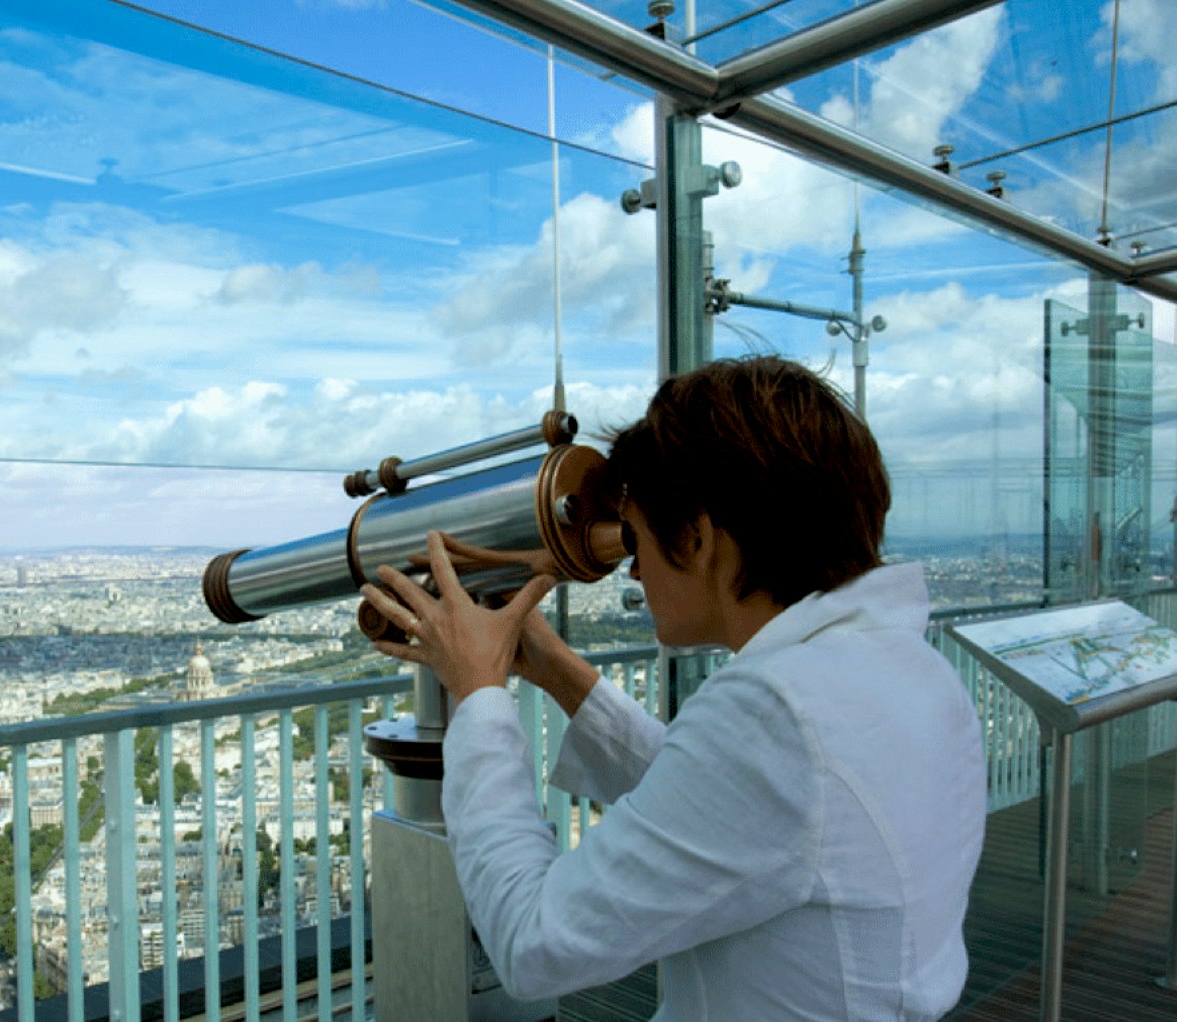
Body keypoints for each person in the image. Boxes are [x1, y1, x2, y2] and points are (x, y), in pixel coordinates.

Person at [359, 355, 987, 1021]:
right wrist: (551, 667)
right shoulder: (908, 671)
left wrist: (479, 695)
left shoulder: (778, 711)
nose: (631, 569)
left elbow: (534, 943)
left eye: (635, 536)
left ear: (696, 535)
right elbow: (724, 808)